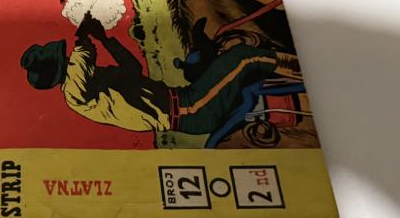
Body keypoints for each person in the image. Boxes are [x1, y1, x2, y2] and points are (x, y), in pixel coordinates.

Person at [20, 14, 301, 136]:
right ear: (60, 67)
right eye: (65, 57)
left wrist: (104, 39)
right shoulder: (74, 93)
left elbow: (133, 69)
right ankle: (300, 71)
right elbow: (82, 61)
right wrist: (83, 38)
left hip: (185, 101)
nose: (70, 56)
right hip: (191, 110)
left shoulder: (95, 83)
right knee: (244, 57)